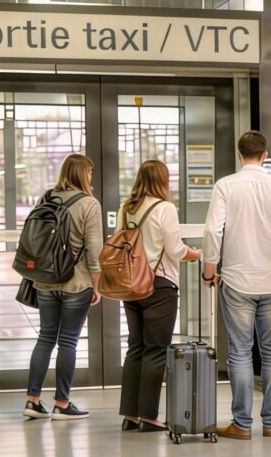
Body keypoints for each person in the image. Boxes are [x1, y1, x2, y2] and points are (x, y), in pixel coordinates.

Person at [202, 130, 271, 440]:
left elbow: (213, 230)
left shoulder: (226, 186)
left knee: (240, 352)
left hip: (237, 280)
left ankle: (241, 424)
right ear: (265, 153)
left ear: (239, 154)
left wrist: (209, 268)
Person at [117, 160, 201, 432]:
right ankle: (149, 417)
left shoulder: (126, 207)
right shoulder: (165, 208)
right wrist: (198, 254)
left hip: (131, 285)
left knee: (136, 348)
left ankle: (130, 415)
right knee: (155, 350)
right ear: (163, 180)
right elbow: (176, 250)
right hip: (160, 285)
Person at [23, 153, 104, 420]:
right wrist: (97, 284)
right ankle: (62, 403)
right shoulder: (89, 204)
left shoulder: (47, 197)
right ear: (82, 173)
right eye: (90, 171)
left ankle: (32, 401)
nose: (91, 176)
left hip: (44, 281)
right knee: (68, 341)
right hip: (76, 282)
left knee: (45, 338)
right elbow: (94, 249)